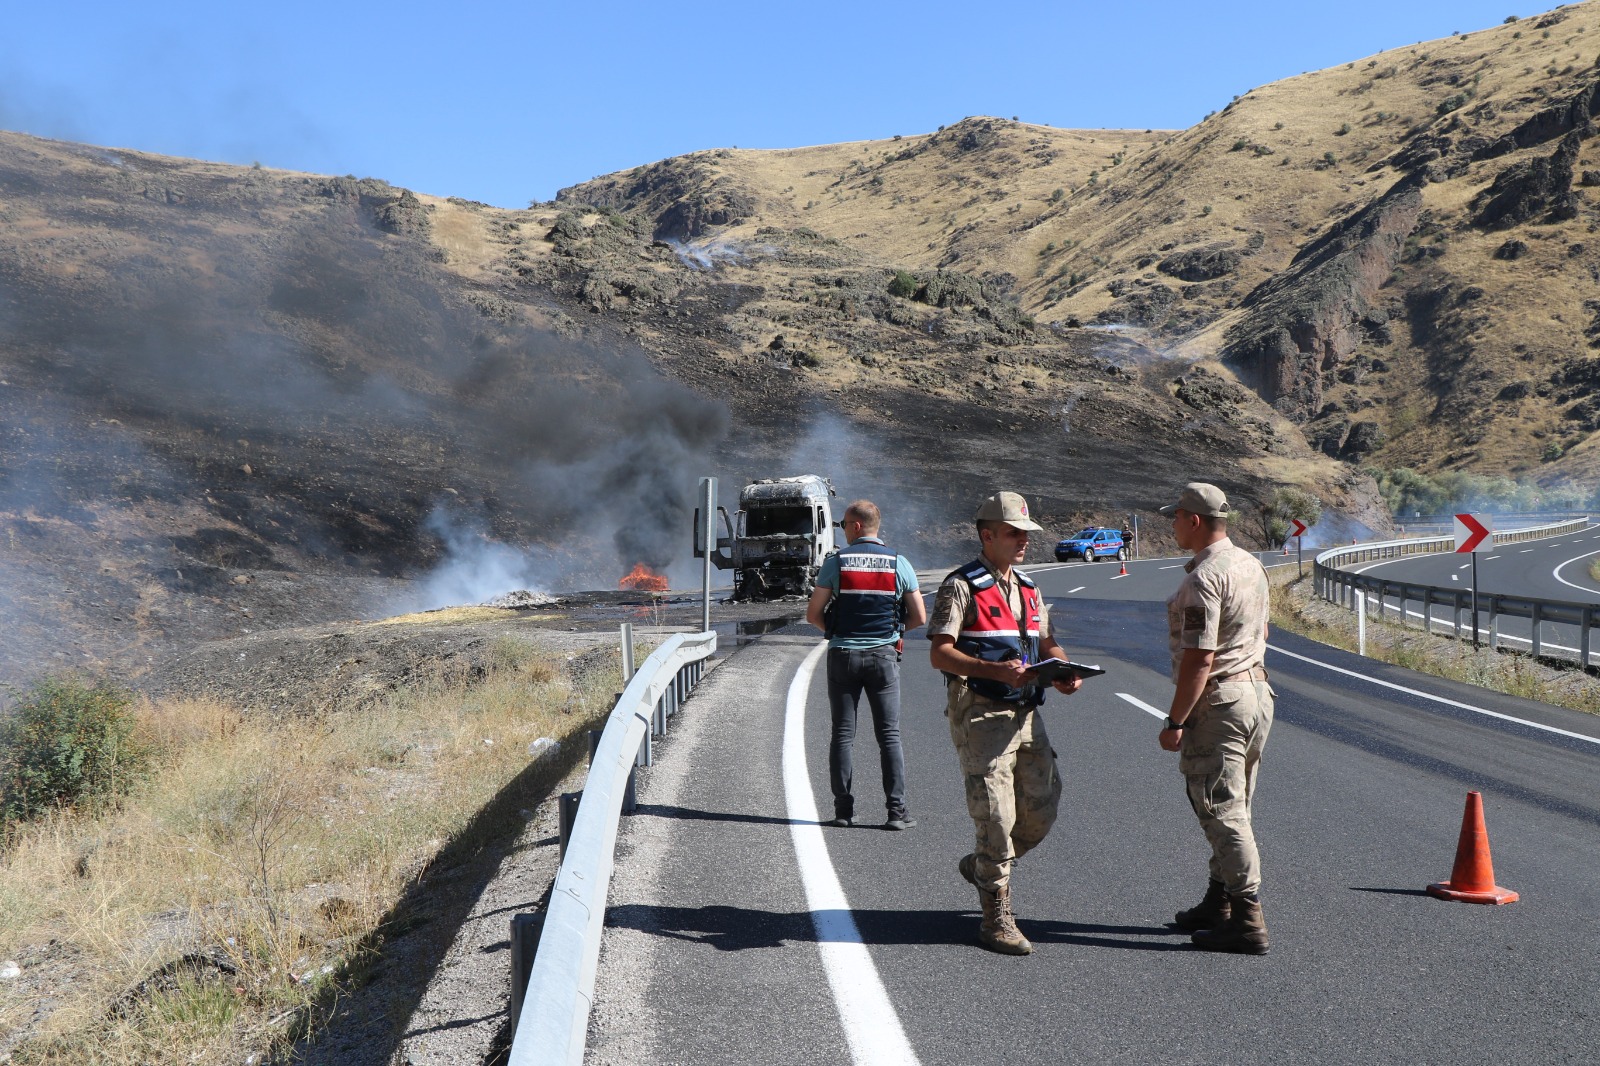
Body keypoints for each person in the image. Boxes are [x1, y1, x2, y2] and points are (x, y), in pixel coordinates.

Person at [927, 491, 1083, 955]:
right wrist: (994, 670)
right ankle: (996, 912)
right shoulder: (961, 586)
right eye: (1014, 533)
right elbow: (940, 652)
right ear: (987, 535)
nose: (1023, 542)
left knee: (1040, 810)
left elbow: (1047, 642)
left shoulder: (1031, 588)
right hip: (982, 713)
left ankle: (983, 865)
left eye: (1026, 534)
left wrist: (1064, 669)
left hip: (1028, 713)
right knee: (996, 815)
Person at [1158, 482, 1274, 955]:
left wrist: (1175, 720)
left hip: (1221, 701)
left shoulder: (1204, 578)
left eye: (1176, 517)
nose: (1172, 525)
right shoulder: (1251, 564)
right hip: (1256, 692)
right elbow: (1262, 630)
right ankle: (1218, 901)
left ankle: (1247, 918)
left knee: (1221, 809)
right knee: (1234, 802)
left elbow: (1199, 658)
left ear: (1194, 521)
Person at [805, 499, 927, 830]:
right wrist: (892, 632)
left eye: (844, 524)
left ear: (856, 526)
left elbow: (812, 614)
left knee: (843, 734)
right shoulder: (899, 563)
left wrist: (835, 632)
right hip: (884, 658)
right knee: (889, 734)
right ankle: (896, 812)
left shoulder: (836, 562)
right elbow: (919, 616)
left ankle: (843, 810)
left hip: (843, 656)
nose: (842, 531)